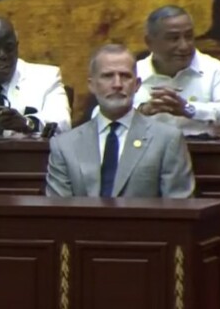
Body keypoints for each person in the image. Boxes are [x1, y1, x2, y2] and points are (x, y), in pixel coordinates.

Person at [46, 44, 194, 198]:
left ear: (136, 85)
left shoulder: (167, 140)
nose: (117, 84)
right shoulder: (64, 146)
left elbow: (179, 209)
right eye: (108, 76)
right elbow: (59, 212)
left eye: (125, 76)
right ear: (92, 85)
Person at [134, 5, 220, 135]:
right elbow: (110, 118)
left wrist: (189, 109)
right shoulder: (133, 73)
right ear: (150, 42)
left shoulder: (214, 70)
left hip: (203, 153)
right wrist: (142, 112)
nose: (184, 46)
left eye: (189, 36)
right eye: (173, 38)